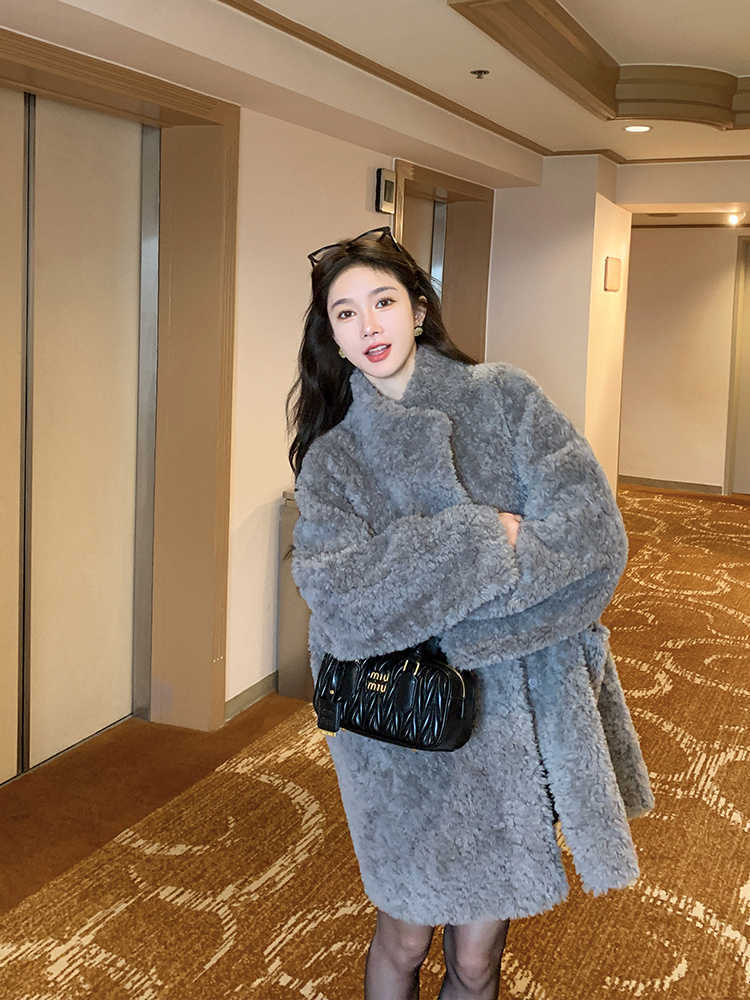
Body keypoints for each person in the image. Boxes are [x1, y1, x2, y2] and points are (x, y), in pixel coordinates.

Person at [285, 226, 654, 1000]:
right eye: (346, 313)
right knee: (403, 936)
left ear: (418, 310)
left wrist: (432, 609)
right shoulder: (334, 460)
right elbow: (344, 606)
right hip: (401, 736)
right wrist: (481, 541)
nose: (368, 325)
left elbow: (594, 543)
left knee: (478, 959)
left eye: (383, 301)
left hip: (513, 726)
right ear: (334, 338)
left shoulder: (505, 398)